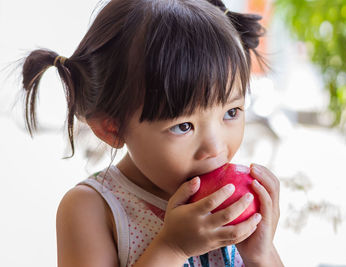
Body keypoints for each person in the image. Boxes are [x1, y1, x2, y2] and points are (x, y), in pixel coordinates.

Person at [20, 0, 283, 266]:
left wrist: (262, 255)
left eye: (231, 112)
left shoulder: (233, 202)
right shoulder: (91, 209)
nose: (215, 148)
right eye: (183, 126)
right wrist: (173, 247)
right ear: (112, 128)